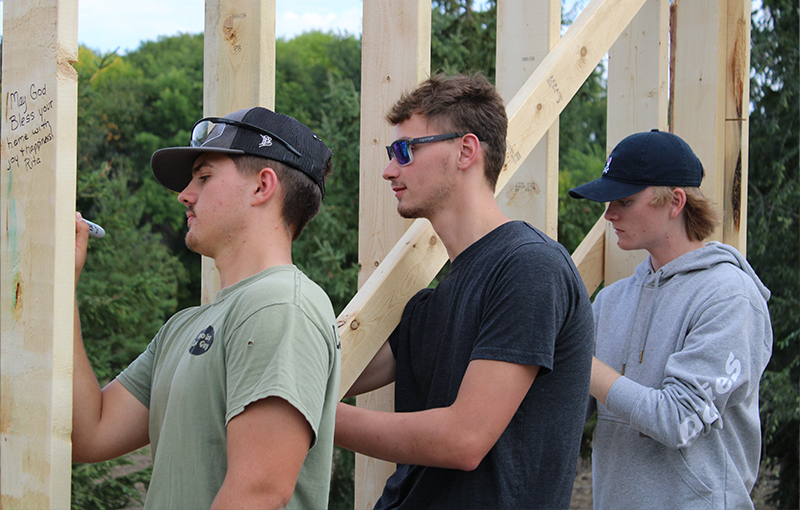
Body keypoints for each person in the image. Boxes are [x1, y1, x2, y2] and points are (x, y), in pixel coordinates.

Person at [334, 73, 594, 509]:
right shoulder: (433, 303)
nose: (389, 169)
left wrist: (312, 419)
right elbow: (339, 373)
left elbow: (463, 439)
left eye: (405, 151)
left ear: (466, 151)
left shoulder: (530, 268)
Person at [72, 107, 341, 510]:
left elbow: (258, 493)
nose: (185, 194)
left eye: (204, 176)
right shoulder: (184, 327)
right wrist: (64, 285)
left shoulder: (281, 305)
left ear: (262, 187)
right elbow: (88, 434)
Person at [569, 129, 773, 510]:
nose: (609, 213)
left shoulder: (729, 296)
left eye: (625, 200)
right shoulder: (611, 301)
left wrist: (573, 353)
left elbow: (676, 419)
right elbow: (565, 408)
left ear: (675, 201)